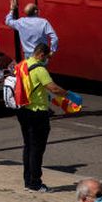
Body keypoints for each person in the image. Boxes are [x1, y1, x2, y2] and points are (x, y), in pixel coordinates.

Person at [15, 42, 69, 192]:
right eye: (47, 57)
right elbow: (53, 88)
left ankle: (27, 181)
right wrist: (68, 94)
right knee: (37, 148)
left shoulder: (22, 65)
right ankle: (35, 183)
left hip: (23, 110)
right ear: (41, 55)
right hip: (37, 112)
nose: (47, 60)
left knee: (28, 146)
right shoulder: (39, 69)